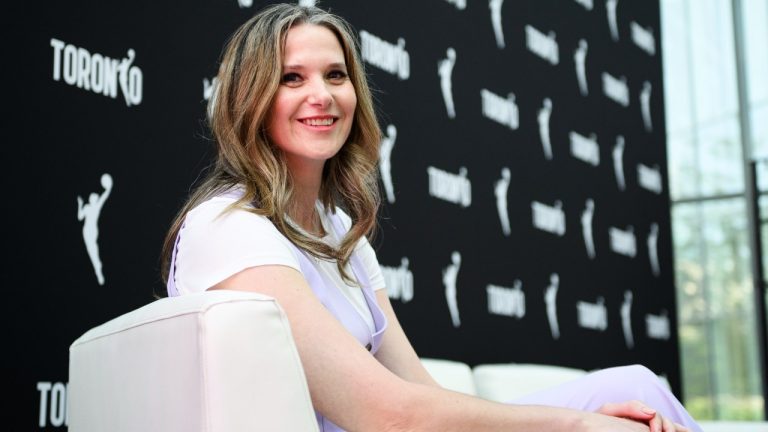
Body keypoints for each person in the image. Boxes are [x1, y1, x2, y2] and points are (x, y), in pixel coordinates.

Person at [161, 4, 701, 431]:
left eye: (335, 74)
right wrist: (574, 426)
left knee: (634, 391)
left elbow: (421, 395)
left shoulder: (342, 236)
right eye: (291, 78)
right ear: (249, 96)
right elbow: (389, 416)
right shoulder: (229, 226)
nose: (321, 95)